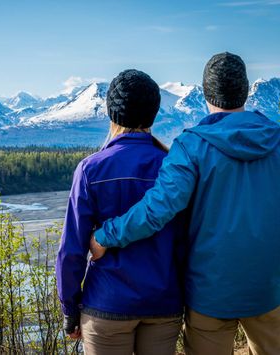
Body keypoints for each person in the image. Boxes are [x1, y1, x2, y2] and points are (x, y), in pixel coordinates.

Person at [90, 52, 280, 355]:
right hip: (268, 288)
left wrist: (105, 236)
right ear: (246, 89)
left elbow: (157, 210)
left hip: (209, 294)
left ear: (204, 93)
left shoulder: (192, 145)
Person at [55, 69, 184, 355]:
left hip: (107, 303)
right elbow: (185, 240)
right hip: (163, 302)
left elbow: (71, 250)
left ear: (111, 113)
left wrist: (70, 309)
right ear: (153, 112)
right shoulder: (174, 167)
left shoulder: (91, 169)